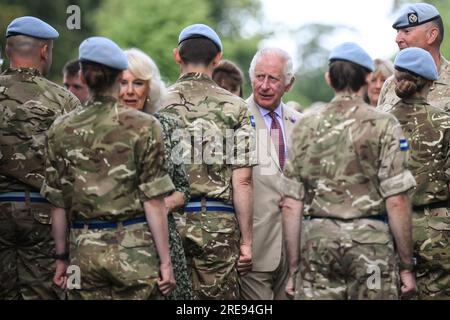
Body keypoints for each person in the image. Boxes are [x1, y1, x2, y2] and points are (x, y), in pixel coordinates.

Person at [41, 36, 176, 299]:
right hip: (134, 249)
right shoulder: (145, 126)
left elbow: (57, 202)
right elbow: (153, 200)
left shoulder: (61, 128)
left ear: (82, 74)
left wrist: (61, 257)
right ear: (118, 76)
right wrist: (165, 262)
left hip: (83, 250)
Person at [281, 42, 417, 300]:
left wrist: (295, 268)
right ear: (367, 78)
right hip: (371, 246)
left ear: (329, 78)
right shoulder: (385, 125)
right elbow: (397, 200)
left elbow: (290, 203)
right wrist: (406, 266)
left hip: (318, 245)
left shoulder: (305, 126)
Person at [159, 24, 255, 300]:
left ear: (177, 56)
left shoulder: (157, 103)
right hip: (218, 222)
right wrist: (247, 242)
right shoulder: (236, 107)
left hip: (167, 219)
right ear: (217, 58)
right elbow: (243, 180)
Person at [0, 16, 80, 300]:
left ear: (8, 50)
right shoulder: (64, 101)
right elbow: (76, 168)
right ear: (44, 50)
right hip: (45, 216)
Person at [119, 47, 194, 300]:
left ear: (149, 88)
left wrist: (157, 206)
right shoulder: (100, 129)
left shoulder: (167, 126)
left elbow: (183, 189)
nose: (129, 91)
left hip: (162, 242)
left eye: (138, 83)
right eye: (122, 82)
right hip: (115, 243)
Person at [383, 47, 450, 299]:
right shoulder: (446, 123)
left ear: (396, 79)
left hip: (387, 227)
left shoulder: (378, 124)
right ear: (431, 83)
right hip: (437, 230)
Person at [240, 47, 301, 300]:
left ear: (289, 84)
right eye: (259, 76)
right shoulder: (237, 118)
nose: (264, 85)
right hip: (253, 250)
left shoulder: (300, 123)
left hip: (294, 251)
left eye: (273, 79)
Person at [378, 3, 450, 111]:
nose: (397, 39)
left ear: (432, 35)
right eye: (398, 32)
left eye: (406, 31)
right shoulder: (390, 84)